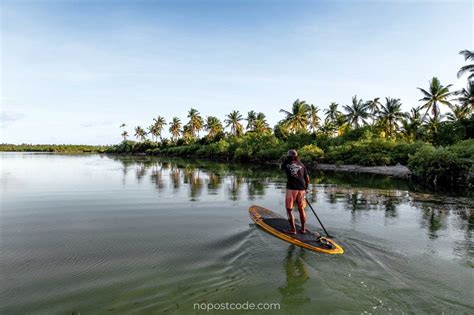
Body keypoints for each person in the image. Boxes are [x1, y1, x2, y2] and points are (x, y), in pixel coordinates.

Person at [280, 149, 310, 235]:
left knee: (289, 209)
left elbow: (281, 167)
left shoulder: (286, 163)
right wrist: (305, 190)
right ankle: (303, 229)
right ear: (297, 156)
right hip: (302, 189)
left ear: (288, 156)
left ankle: (293, 230)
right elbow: (307, 179)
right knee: (301, 209)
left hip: (291, 189)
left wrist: (286, 160)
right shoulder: (302, 164)